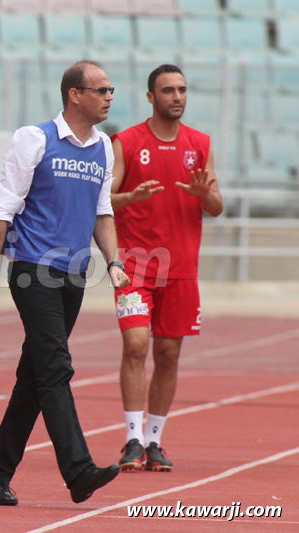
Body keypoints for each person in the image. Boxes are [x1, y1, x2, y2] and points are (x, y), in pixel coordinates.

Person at [0, 61, 129, 506]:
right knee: (57, 368)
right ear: (75, 95)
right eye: (101, 90)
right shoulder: (34, 139)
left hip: (74, 275)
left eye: (111, 90)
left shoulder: (103, 146)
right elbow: (2, 211)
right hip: (33, 270)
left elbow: (102, 212)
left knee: (34, 377)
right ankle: (79, 471)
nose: (109, 97)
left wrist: (113, 262)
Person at [111, 64, 223, 472]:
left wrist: (204, 194)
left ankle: (154, 441)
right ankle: (132, 438)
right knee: (136, 344)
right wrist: (130, 197)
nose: (177, 97)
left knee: (168, 352)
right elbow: (103, 201)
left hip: (181, 268)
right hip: (135, 265)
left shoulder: (200, 143)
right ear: (150, 97)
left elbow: (216, 207)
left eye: (182, 90)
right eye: (168, 90)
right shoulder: (125, 142)